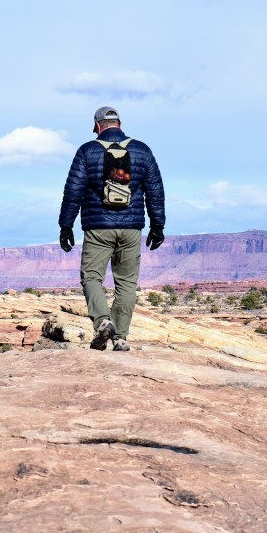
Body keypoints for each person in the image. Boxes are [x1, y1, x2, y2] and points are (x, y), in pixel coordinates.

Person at [58, 106, 166, 351]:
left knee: (92, 277)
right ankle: (120, 339)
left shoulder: (87, 151)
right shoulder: (142, 150)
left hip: (98, 227)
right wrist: (157, 225)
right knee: (126, 283)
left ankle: (103, 321)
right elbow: (155, 192)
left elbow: (73, 192)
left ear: (97, 125)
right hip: (131, 228)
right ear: (120, 123)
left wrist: (66, 225)